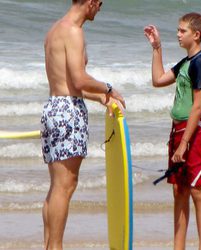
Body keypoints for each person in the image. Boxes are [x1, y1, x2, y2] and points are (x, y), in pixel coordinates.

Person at [40, 0, 125, 249]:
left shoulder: (54, 30)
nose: (100, 8)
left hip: (53, 108)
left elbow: (67, 84)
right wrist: (110, 88)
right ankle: (55, 246)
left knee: (57, 186)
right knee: (65, 187)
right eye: (99, 3)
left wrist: (101, 98)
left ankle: (49, 245)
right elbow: (79, 78)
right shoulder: (74, 32)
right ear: (89, 2)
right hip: (68, 113)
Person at [144, 13, 201, 250]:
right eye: (177, 30)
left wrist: (184, 143)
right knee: (179, 189)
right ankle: (178, 246)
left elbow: (198, 106)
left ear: (196, 35)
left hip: (195, 131)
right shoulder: (185, 63)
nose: (178, 34)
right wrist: (156, 47)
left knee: (197, 189)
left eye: (182, 31)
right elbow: (158, 79)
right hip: (178, 130)